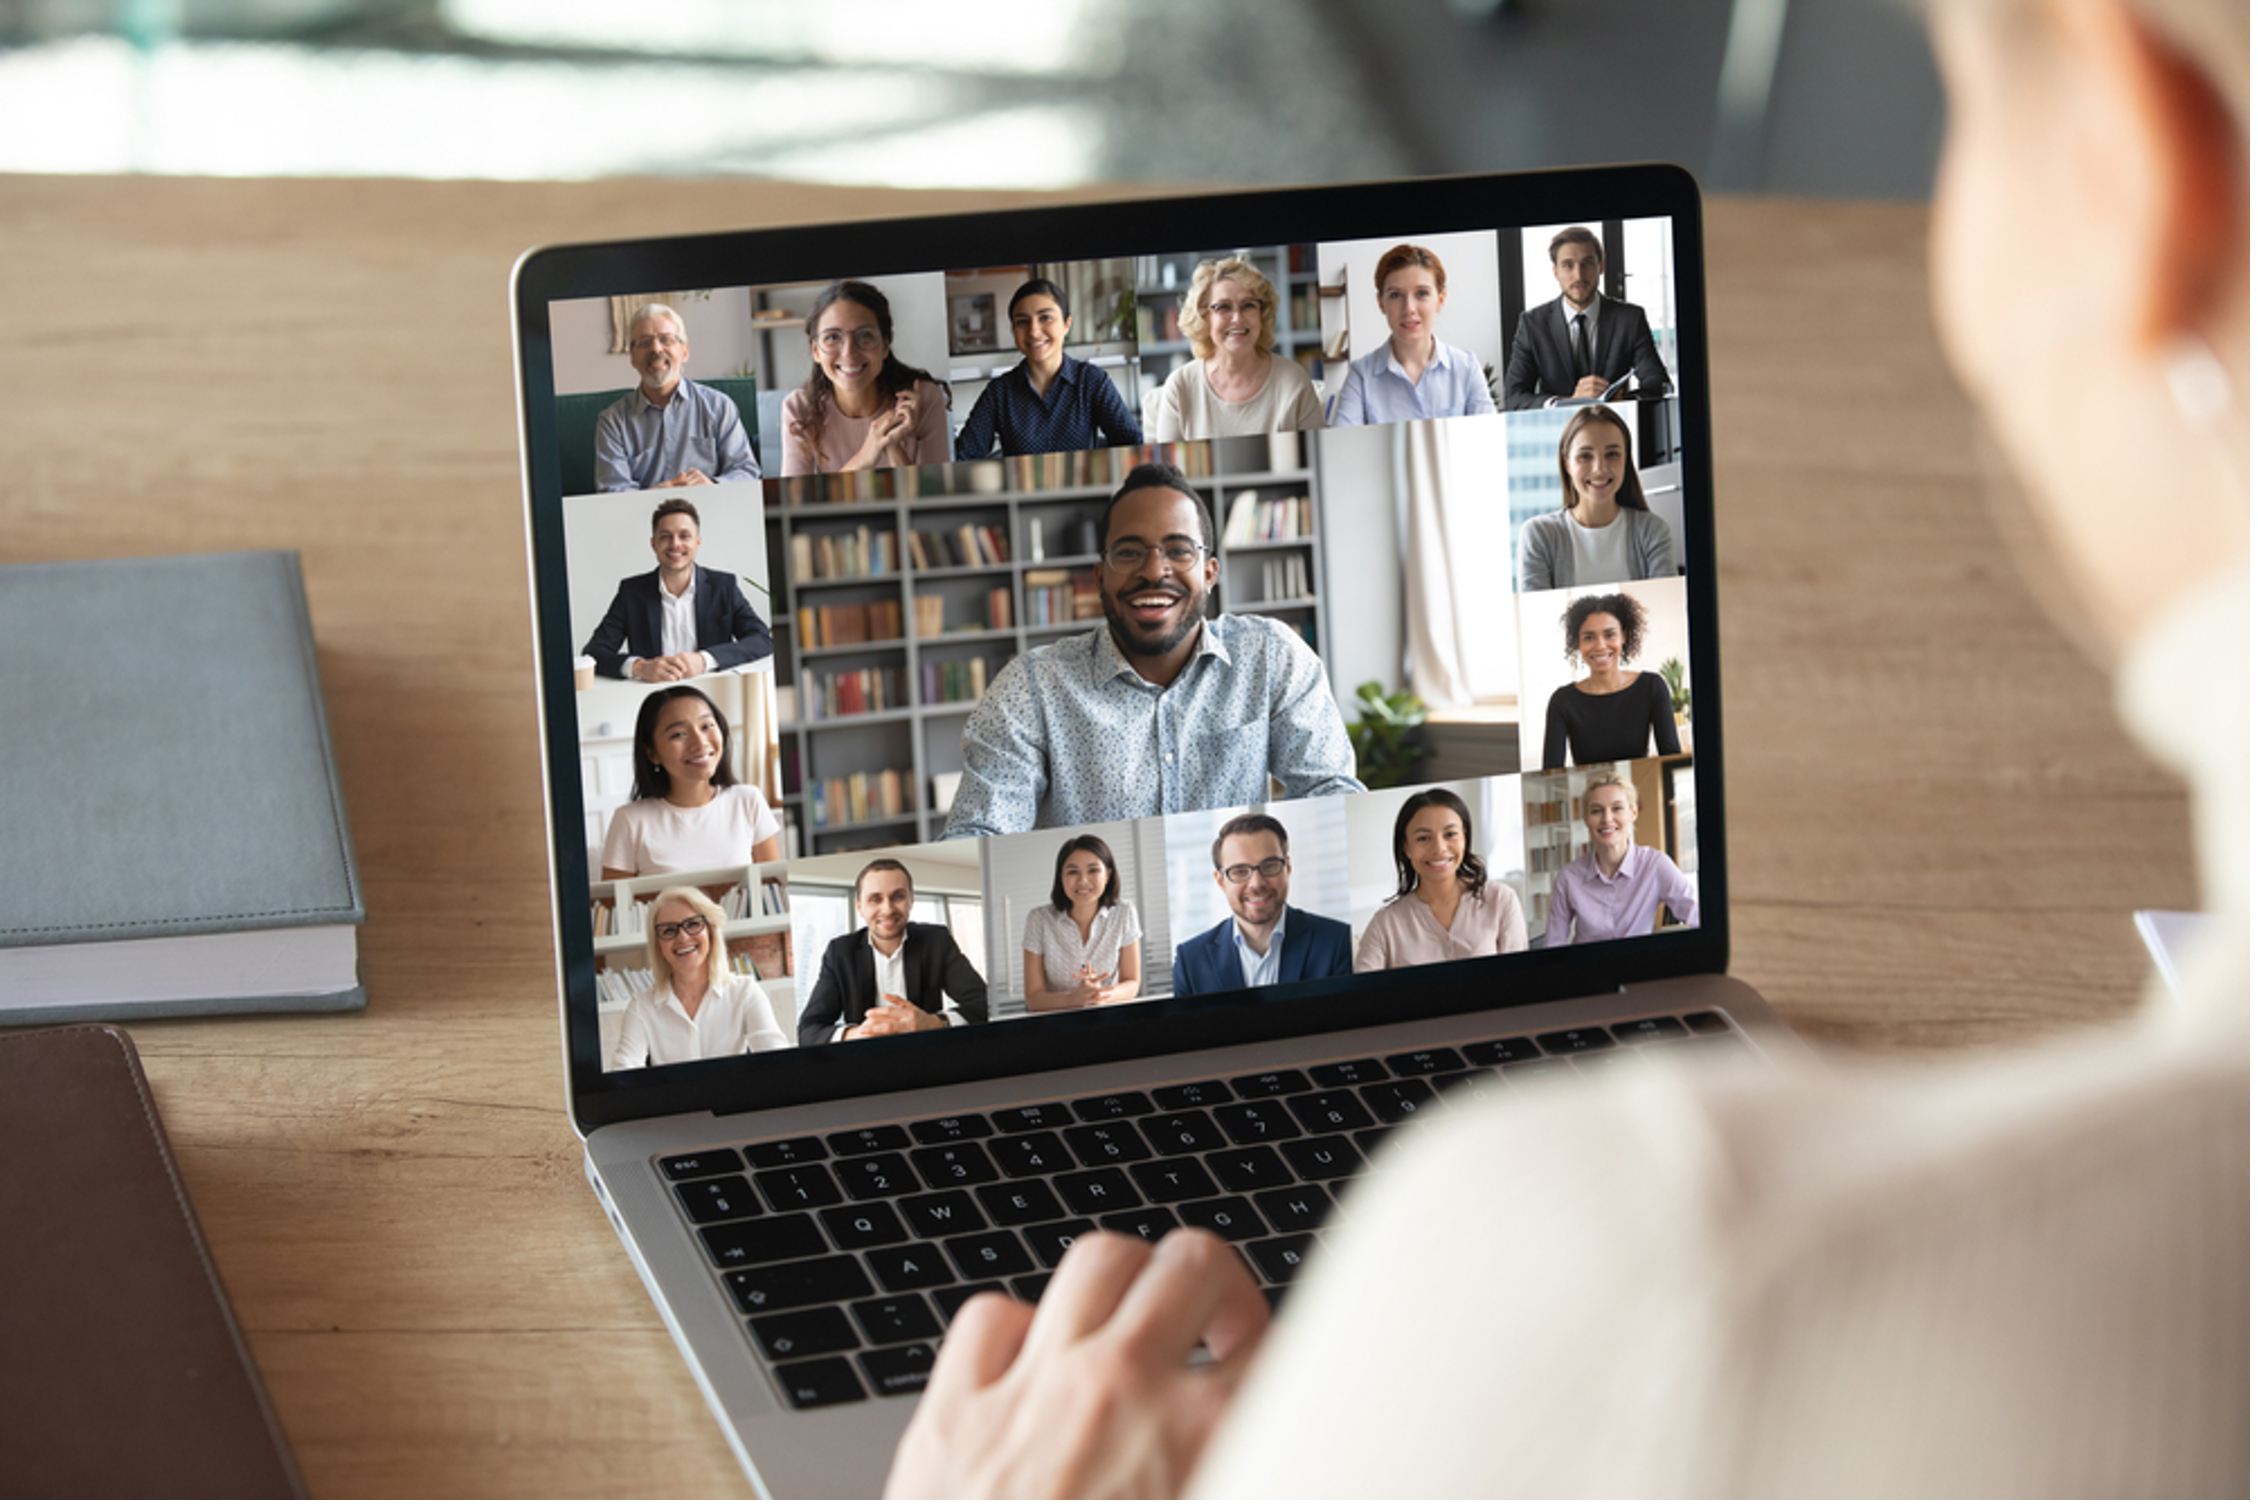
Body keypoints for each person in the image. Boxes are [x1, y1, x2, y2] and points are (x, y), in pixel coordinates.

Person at [884, 0, 2252, 1498]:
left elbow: (1330, 806)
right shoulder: (1036, 691)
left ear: (2132, 167)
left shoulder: (1646, 1268)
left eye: (1972, 116)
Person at [942, 462, 1364, 838]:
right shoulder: (1032, 687)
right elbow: (981, 831)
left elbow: (1332, 795)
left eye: (1179, 551)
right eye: (1128, 553)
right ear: (1099, 576)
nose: (1153, 571)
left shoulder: (1271, 656)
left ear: (1210, 572)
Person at [797, 858, 991, 1045]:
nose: (887, 909)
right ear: (859, 907)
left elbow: (984, 1002)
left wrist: (933, 1023)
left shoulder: (936, 940)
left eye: (898, 897)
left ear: (911, 900)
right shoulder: (839, 952)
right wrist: (859, 1034)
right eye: (875, 899)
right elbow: (808, 1031)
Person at [580, 498, 772, 682]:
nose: (675, 544)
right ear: (654, 544)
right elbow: (593, 652)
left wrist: (704, 660)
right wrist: (639, 667)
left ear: (697, 542)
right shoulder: (631, 592)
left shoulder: (723, 586)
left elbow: (762, 640)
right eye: (665, 536)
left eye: (684, 535)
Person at [599, 686, 783, 878]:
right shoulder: (630, 820)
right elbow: (613, 905)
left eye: (706, 726)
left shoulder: (748, 800)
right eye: (678, 734)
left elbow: (773, 891)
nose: (700, 742)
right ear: (652, 753)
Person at [953, 278, 1144, 459]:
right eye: (1022, 321)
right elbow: (964, 454)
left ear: (1066, 324)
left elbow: (1132, 442)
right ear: (1013, 331)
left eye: (1045, 317)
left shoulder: (1091, 380)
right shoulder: (999, 393)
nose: (1034, 331)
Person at [1170, 813, 1353, 997]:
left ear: (1287, 868)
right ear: (1221, 881)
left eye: (1269, 866)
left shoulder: (1338, 942)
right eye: (1240, 871)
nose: (1256, 884)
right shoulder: (1190, 962)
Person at [608, 886, 788, 1069]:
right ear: (659, 947)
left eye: (693, 924)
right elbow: (623, 1073)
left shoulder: (745, 992)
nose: (683, 937)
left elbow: (779, 1063)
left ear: (710, 933)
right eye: (669, 930)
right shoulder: (641, 1007)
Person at [780, 281, 949, 475]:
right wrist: (868, 453)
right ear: (816, 351)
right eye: (833, 337)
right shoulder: (799, 408)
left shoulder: (924, 398)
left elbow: (932, 498)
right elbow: (798, 504)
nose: (849, 352)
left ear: (885, 346)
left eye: (865, 335)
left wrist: (892, 445)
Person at [1150, 257, 1325, 442]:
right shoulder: (1179, 387)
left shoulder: (1294, 381)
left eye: (1248, 305)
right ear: (1204, 317)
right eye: (1223, 307)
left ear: (1262, 313)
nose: (1237, 318)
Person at [1352, 788, 1528, 971]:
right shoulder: (1385, 924)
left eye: (1450, 834)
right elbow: (1363, 996)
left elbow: (1520, 979)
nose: (1439, 848)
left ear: (1464, 838)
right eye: (1423, 838)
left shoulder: (1501, 900)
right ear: (1406, 847)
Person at [592, 303, 760, 492]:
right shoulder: (612, 422)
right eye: (645, 342)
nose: (656, 349)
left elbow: (746, 471)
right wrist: (655, 494)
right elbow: (612, 490)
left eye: (666, 339)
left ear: (684, 352)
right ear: (633, 358)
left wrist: (713, 486)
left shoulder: (719, 406)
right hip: (644, 517)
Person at [1500, 227, 1673, 410]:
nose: (1579, 275)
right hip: (1558, 430)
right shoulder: (1532, 324)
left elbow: (1660, 384)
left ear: (1601, 267)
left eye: (1587, 263)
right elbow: (1514, 397)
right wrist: (1563, 402)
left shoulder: (1630, 318)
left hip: (1615, 427)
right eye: (1568, 265)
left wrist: (1625, 402)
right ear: (1555, 272)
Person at [1327, 244, 1498, 426]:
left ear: (1440, 300)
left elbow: (1488, 440)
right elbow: (1344, 445)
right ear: (1381, 303)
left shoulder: (1467, 367)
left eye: (1422, 293)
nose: (1408, 308)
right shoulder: (1361, 375)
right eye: (1395, 295)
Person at [1517, 405, 1677, 590]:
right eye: (1585, 456)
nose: (1599, 468)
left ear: (1626, 460)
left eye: (1612, 454)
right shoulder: (1539, 535)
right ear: (1567, 464)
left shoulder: (1653, 531)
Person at [1544, 771, 1698, 946]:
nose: (1607, 819)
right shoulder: (1568, 877)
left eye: (1617, 808)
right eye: (1596, 811)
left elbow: (1698, 916)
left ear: (1633, 813)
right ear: (1586, 819)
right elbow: (1553, 945)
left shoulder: (1655, 865)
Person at [1539, 591, 1680, 770]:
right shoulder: (1562, 701)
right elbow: (1551, 771)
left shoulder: (1651, 687)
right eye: (1589, 637)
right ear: (1578, 643)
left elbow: (1672, 761)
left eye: (1609, 635)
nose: (1600, 645)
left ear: (1624, 636)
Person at [1020, 835, 1143, 1012]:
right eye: (1072, 872)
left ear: (1108, 875)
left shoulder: (1125, 912)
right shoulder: (1038, 919)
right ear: (1060, 878)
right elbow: (1034, 998)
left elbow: (1132, 983)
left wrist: (1100, 995)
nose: (1083, 881)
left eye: (1093, 870)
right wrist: (1072, 999)